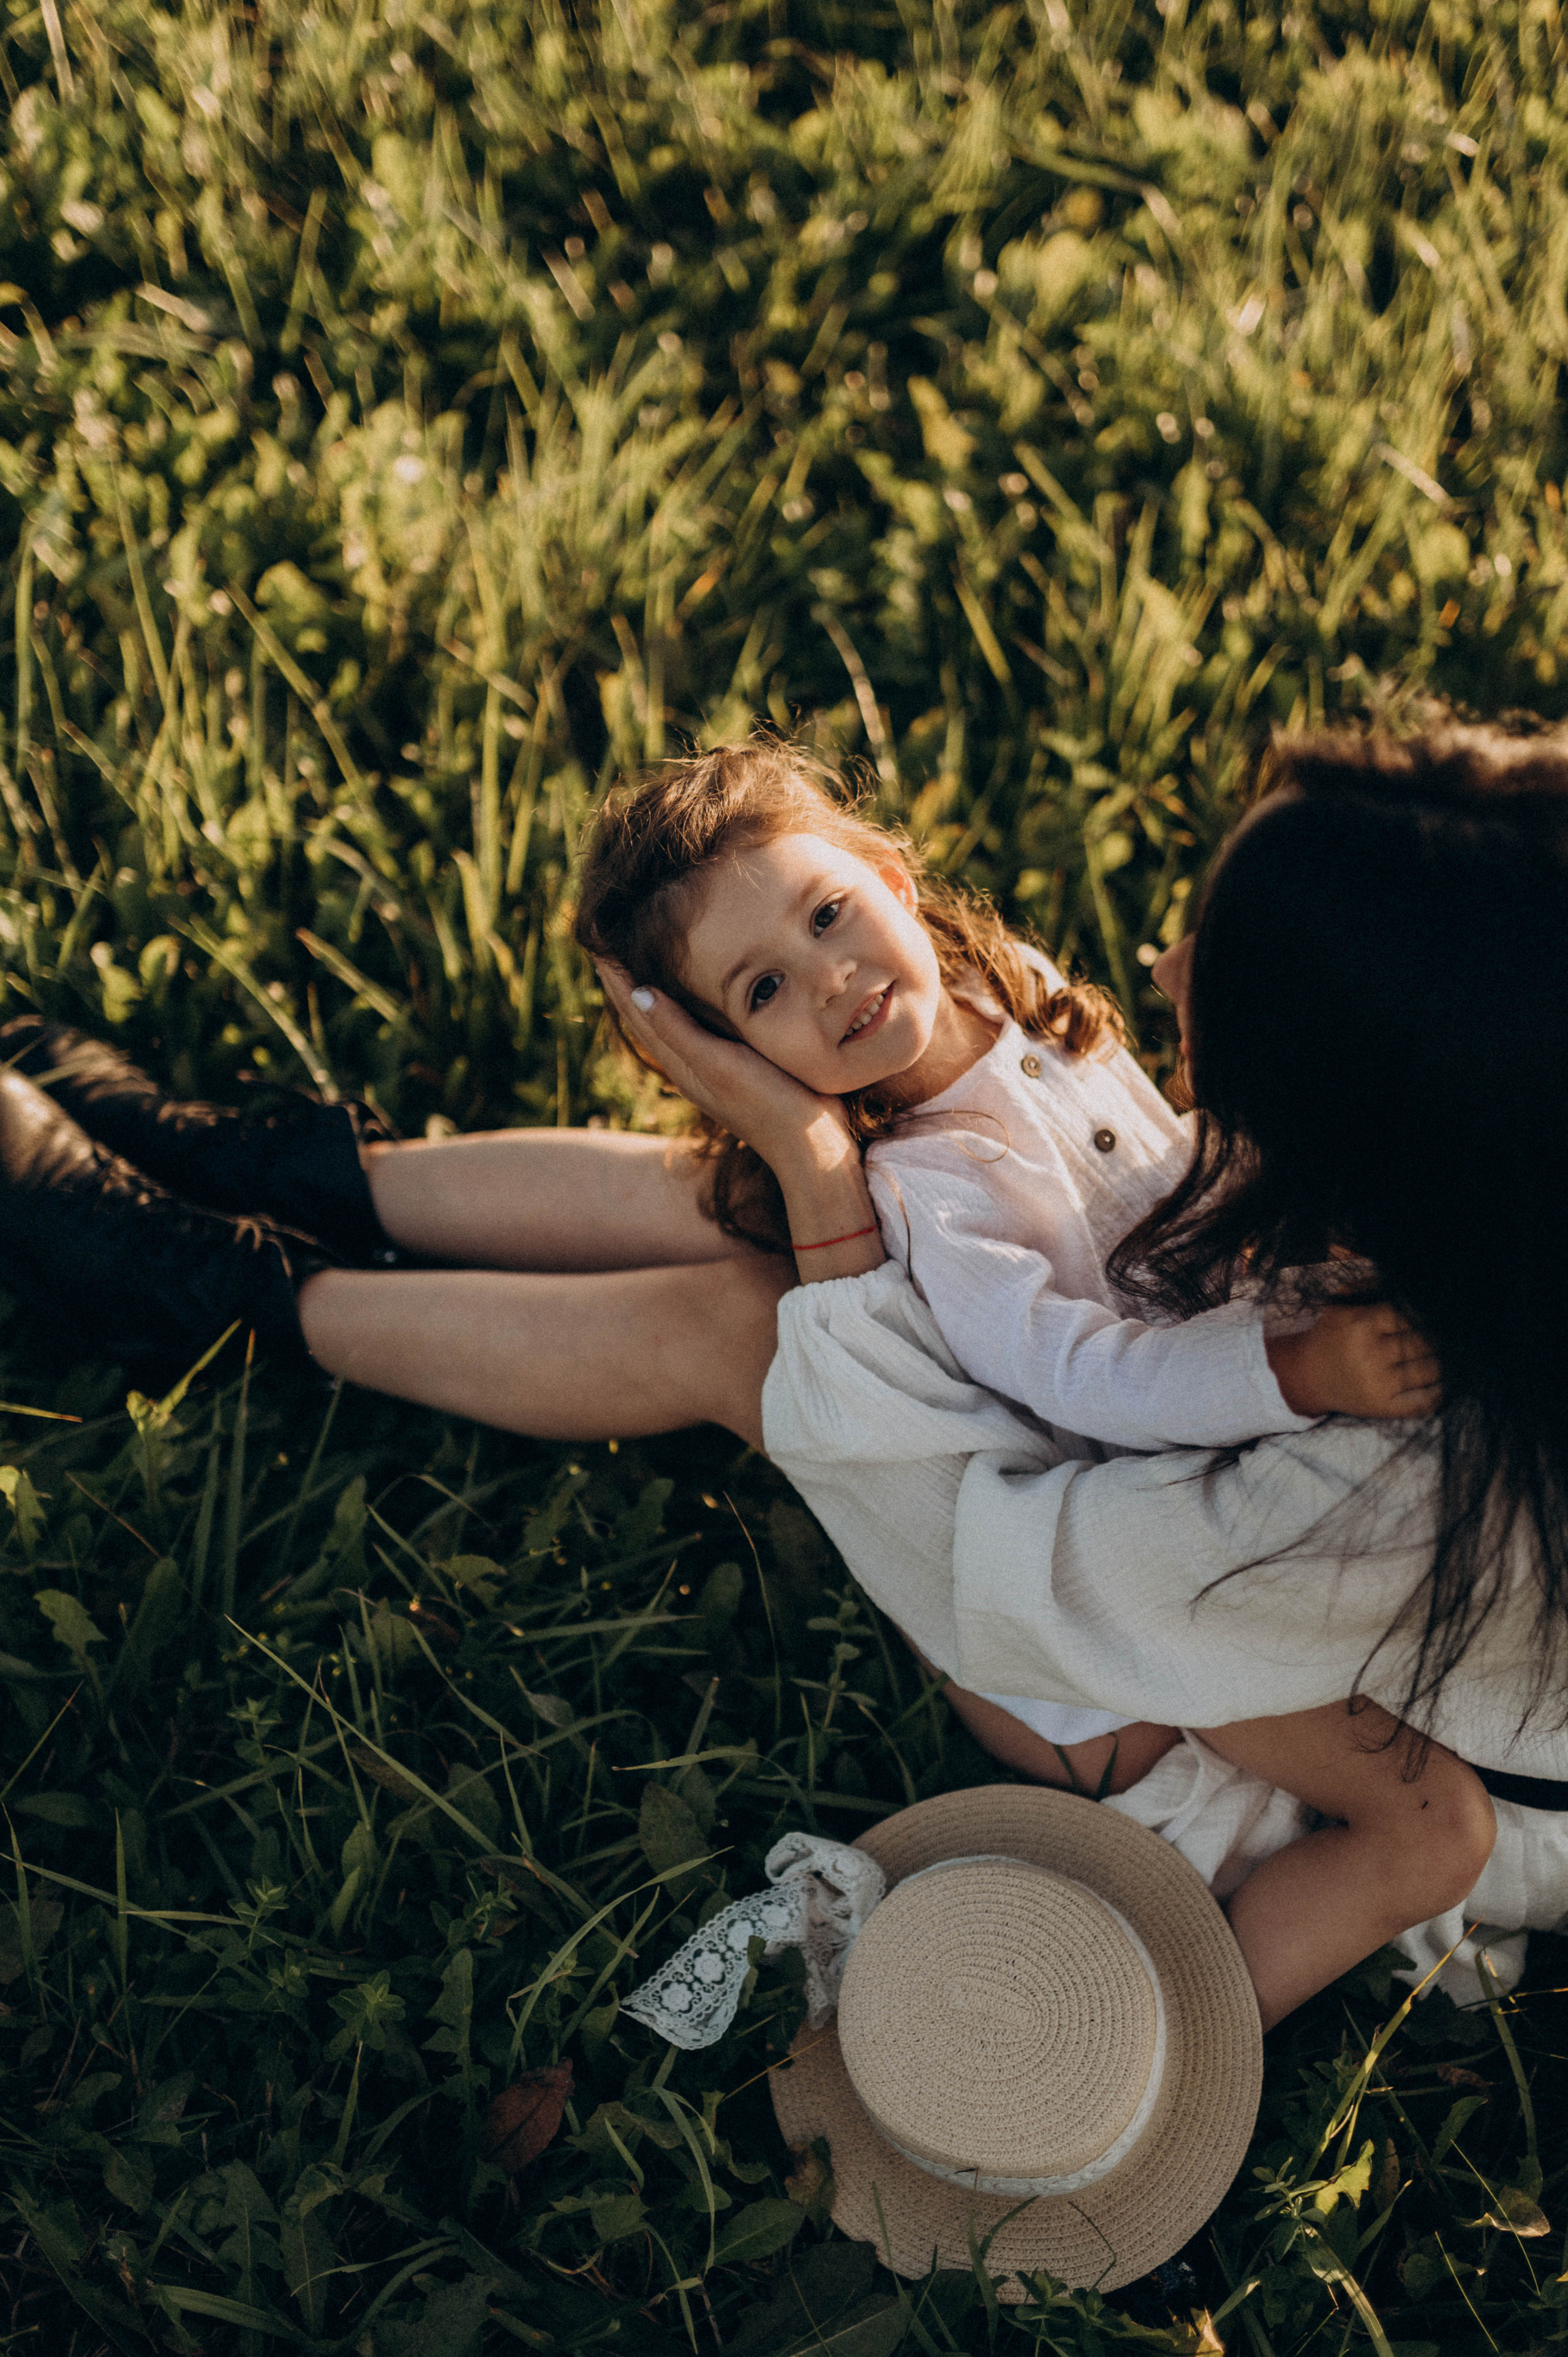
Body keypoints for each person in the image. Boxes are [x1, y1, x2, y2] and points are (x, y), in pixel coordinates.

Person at [0, 725, 1525, 2027]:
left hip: (1101, 1629)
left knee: (749, 1317)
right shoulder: (996, 1062)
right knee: (740, 1200)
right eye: (763, 984)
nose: (1169, 964)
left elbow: (1049, 1496)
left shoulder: (1387, 1464)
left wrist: (811, 1160)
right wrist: (798, 1145)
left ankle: (206, 1282)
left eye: (830, 915)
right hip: (1152, 1480)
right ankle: (239, 1167)